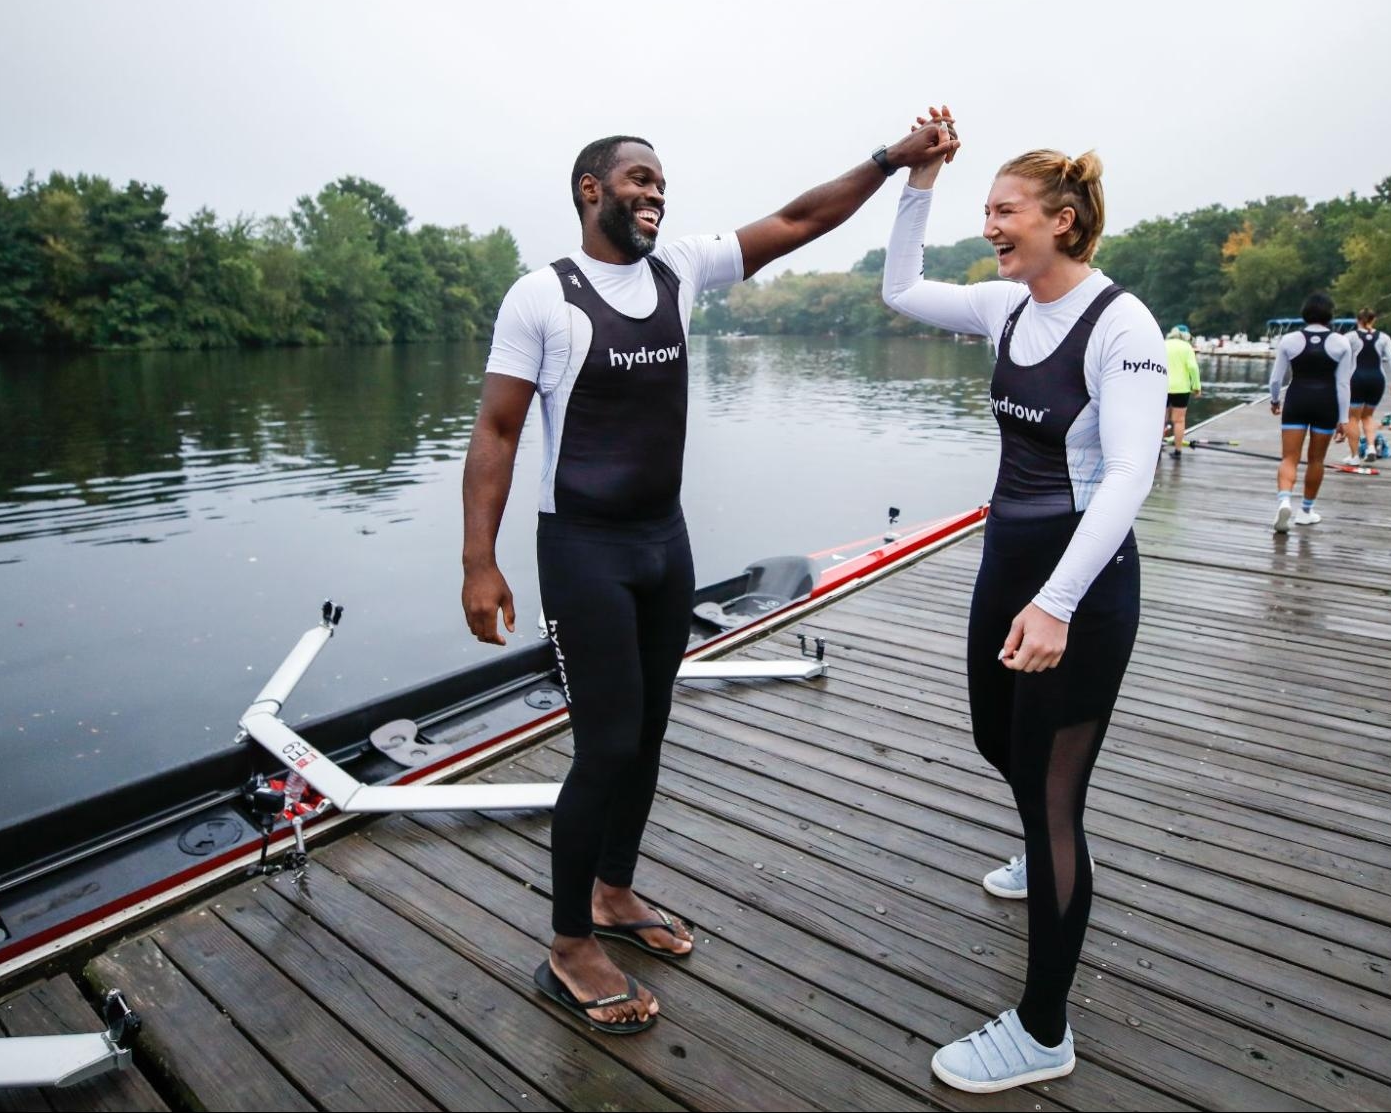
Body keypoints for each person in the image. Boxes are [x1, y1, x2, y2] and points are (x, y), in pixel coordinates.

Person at [461, 121, 956, 1035]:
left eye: (661, 184)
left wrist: (891, 162)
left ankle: (613, 893)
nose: (655, 194)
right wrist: (479, 561)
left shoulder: (678, 270)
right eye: (638, 180)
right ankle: (569, 942)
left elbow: (801, 219)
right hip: (582, 549)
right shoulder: (541, 296)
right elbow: (495, 432)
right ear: (589, 191)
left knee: (647, 733)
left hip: (663, 541)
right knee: (604, 745)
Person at [880, 109, 1165, 1093]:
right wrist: (918, 180)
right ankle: (1042, 856)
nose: (989, 226)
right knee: (994, 737)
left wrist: (1054, 604)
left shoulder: (1120, 324)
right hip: (1010, 552)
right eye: (985, 210)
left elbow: (1131, 473)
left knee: (1053, 800)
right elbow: (901, 286)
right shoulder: (1004, 308)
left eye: (1004, 212)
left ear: (1063, 221)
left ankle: (1043, 1028)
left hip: (1079, 581)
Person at [1268, 293, 1354, 531]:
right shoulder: (1341, 343)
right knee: (1316, 460)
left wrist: (1275, 400)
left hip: (1297, 399)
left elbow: (1276, 379)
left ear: (1305, 313)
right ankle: (1306, 511)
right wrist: (1344, 419)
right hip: (1326, 403)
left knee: (1289, 458)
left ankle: (1284, 500)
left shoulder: (1289, 340)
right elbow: (1343, 384)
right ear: (1330, 315)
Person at [1343, 308, 1391, 462]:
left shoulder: (1350, 337)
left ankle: (1354, 456)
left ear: (1357, 320)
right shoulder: (1384, 337)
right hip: (1377, 380)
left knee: (1352, 418)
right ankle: (1371, 448)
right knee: (1368, 416)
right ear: (1374, 320)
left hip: (1357, 379)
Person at [1163, 323, 1201, 454]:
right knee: (1179, 420)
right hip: (1182, 389)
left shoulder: (1163, 344)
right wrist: (1196, 386)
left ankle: (1156, 452)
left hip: (1163, 388)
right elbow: (1193, 367)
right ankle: (1178, 451)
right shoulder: (1187, 347)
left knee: (1161, 420)